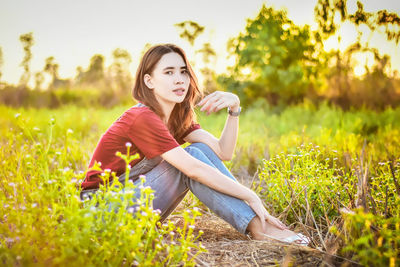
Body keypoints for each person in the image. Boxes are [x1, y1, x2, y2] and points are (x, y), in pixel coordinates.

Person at [80, 44, 309, 245]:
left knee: (199, 150)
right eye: (168, 72)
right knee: (191, 158)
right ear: (149, 81)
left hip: (132, 201)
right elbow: (193, 169)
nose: (179, 79)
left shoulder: (176, 118)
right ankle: (259, 228)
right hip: (101, 210)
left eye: (183, 71)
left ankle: (257, 225)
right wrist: (250, 195)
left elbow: (223, 151)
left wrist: (234, 109)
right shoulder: (142, 118)